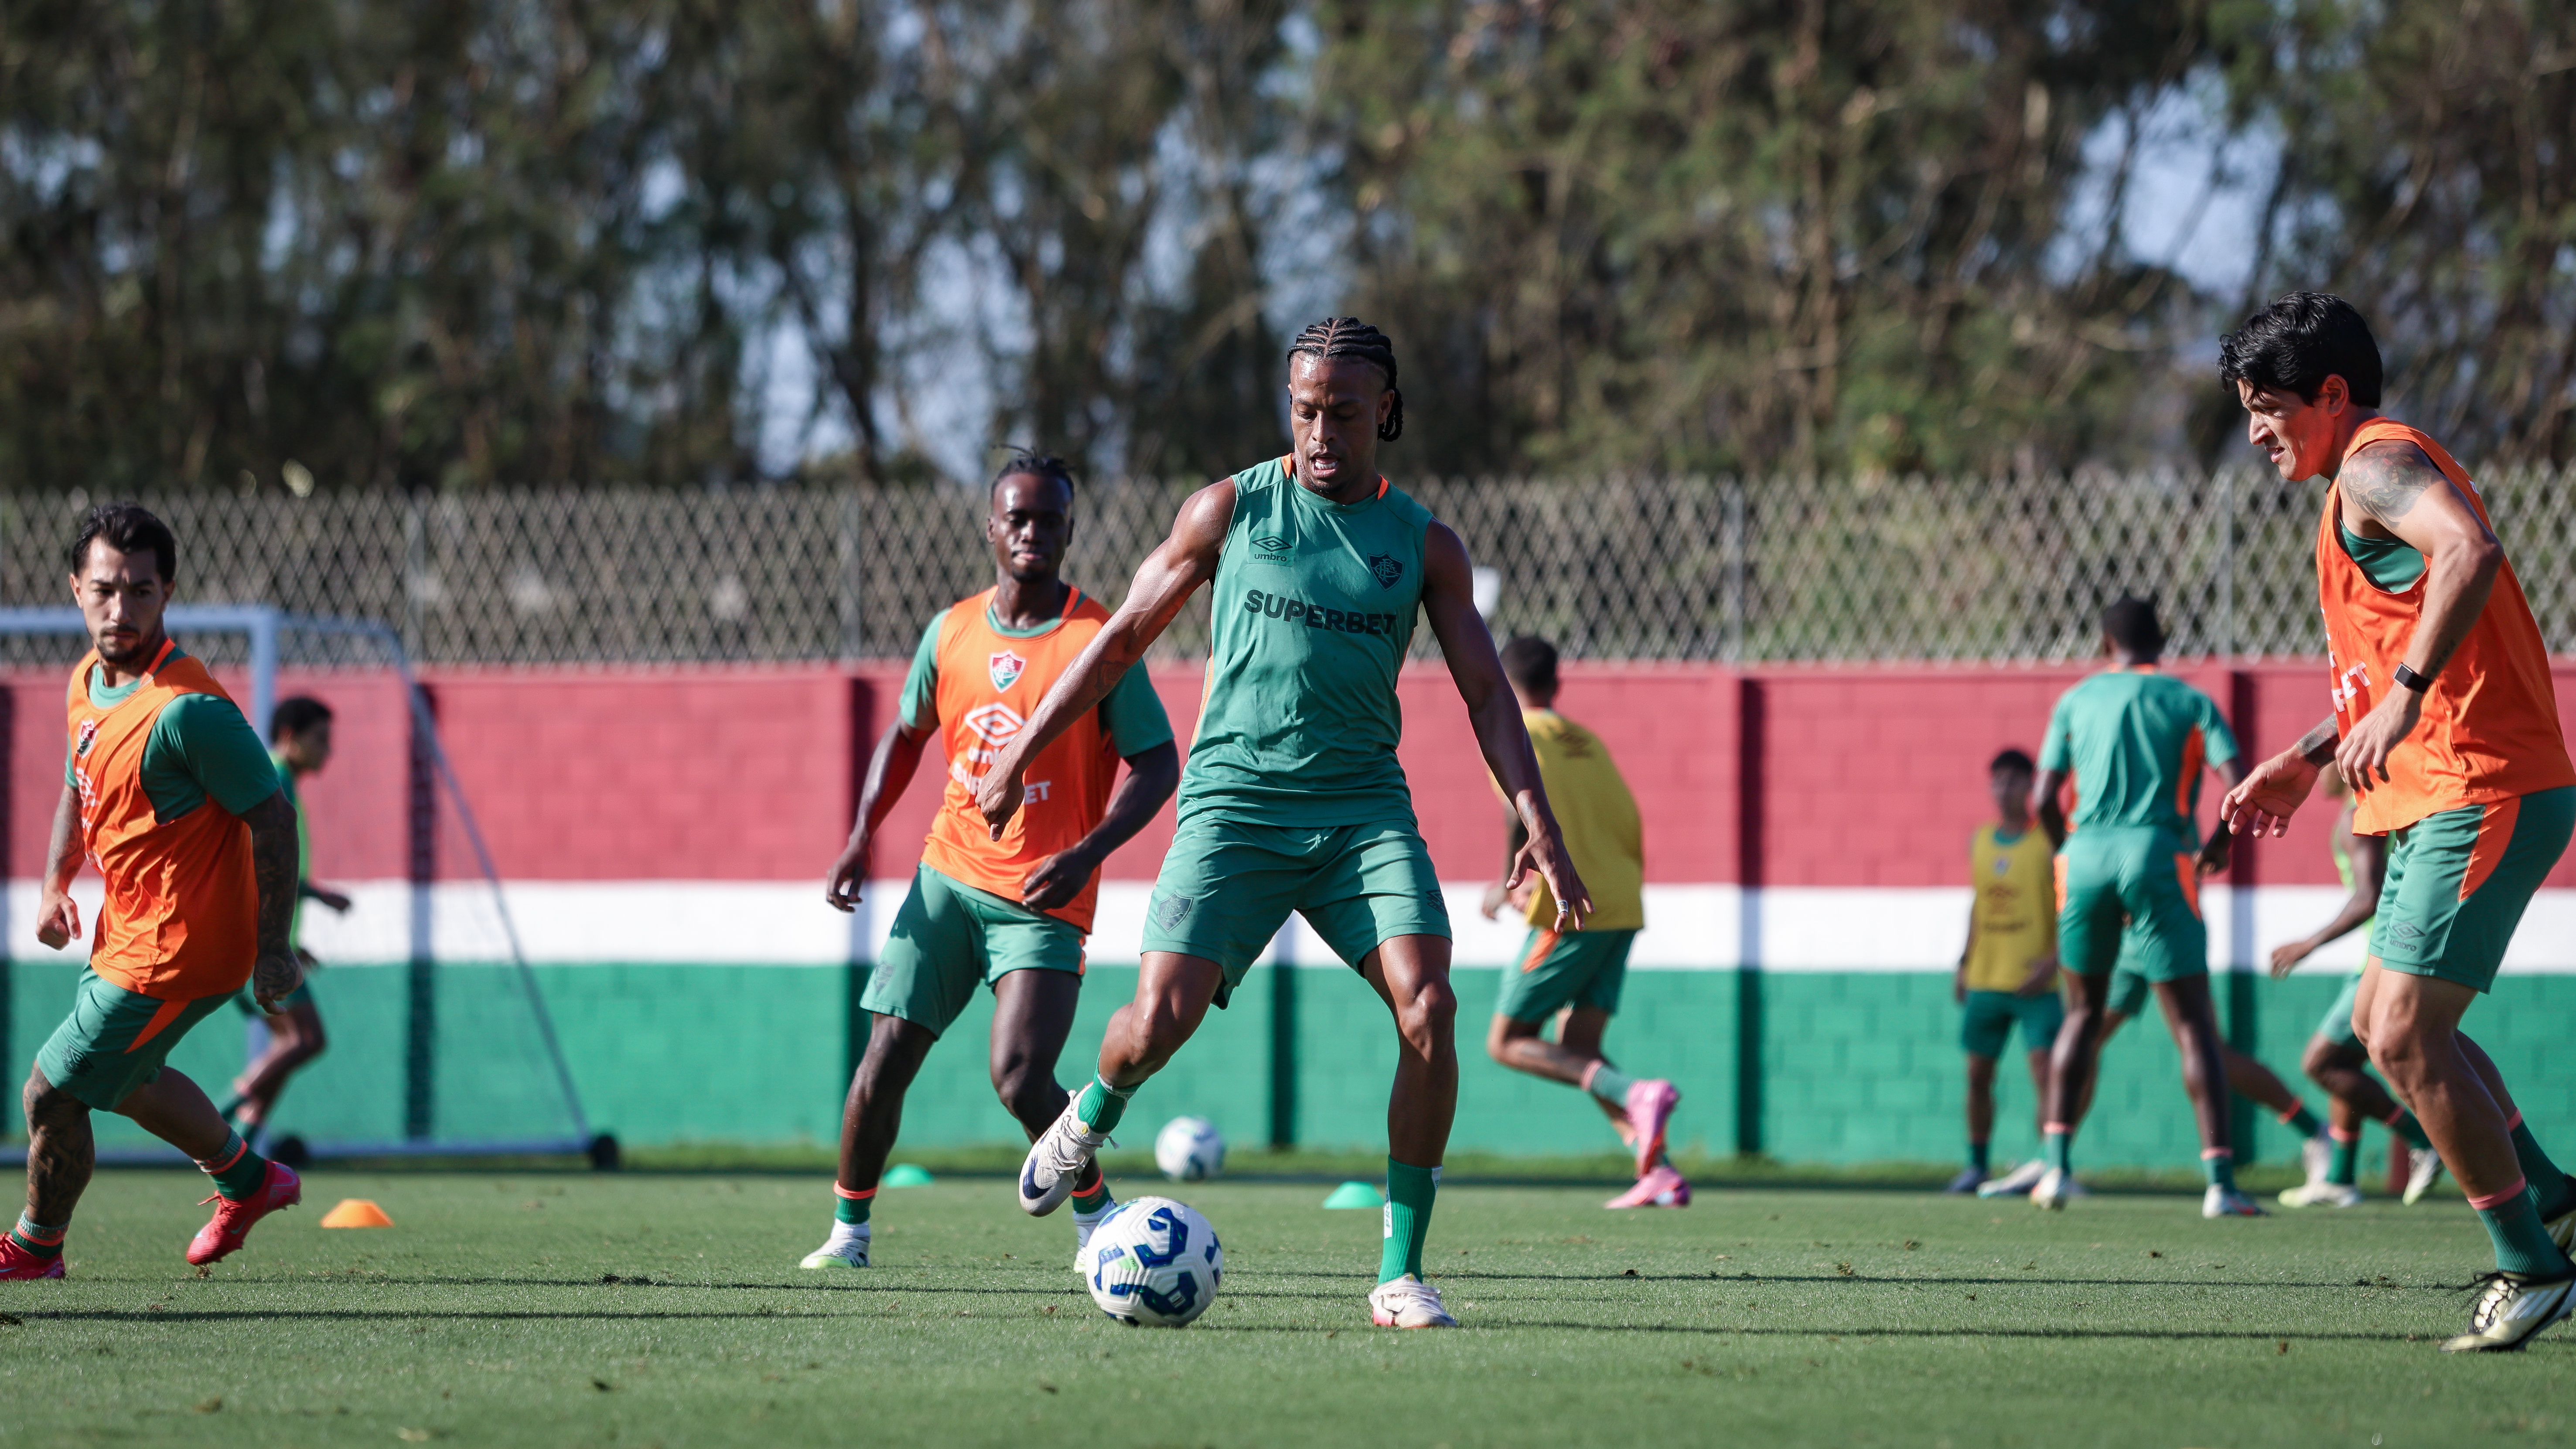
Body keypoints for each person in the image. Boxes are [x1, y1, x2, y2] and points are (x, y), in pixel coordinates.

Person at [974, 318, 1590, 1330]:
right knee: (1150, 1028)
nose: (1319, 431)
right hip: (1232, 809)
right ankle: (1090, 1112)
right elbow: (1122, 630)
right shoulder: (1229, 509)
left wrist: (1539, 820)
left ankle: (1399, 1269)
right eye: (1304, 409)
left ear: (1383, 412)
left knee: (1427, 1007)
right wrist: (1022, 748)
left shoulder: (1424, 543)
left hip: (1360, 815)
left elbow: (1486, 692)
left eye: (1342, 413)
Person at [2217, 292, 2576, 1351]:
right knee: (2385, 1028)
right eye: (2244, 409)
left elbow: (2468, 551)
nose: (2254, 431)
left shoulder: (2375, 463)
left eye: (2268, 406)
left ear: (2331, 394)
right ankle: (2548, 1193)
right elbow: (2382, 668)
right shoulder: (2348, 493)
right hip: (2432, 792)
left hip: (2478, 783)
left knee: (2401, 1033)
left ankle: (2531, 1267)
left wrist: (2407, 691)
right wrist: (2305, 755)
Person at [811, 455, 1180, 1270]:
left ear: (1069, 531)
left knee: (1019, 1077)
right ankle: (848, 1234)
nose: (1032, 533)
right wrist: (861, 832)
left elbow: (1158, 763)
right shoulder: (949, 632)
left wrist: (1089, 852)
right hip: (947, 879)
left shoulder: (1096, 640)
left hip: (1045, 895)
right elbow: (906, 735)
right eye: (1017, 517)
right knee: (883, 1059)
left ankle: (1098, 1222)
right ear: (990, 527)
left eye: (1050, 520)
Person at [0, 505, 305, 1280]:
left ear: (168, 591)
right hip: (126, 933)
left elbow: (273, 816)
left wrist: (274, 950)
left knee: (52, 1091)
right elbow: (81, 779)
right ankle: (248, 1179)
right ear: (76, 589)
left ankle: (36, 1248)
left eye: (140, 590)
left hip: (182, 946)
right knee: (126, 1079)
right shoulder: (86, 681)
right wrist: (54, 882)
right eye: (105, 589)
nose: (121, 607)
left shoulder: (187, 710)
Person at [2029, 595, 2263, 1218]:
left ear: (2106, 642)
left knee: (2080, 1013)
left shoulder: (2075, 700)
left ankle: (2053, 1170)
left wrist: (2067, 852)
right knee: (2191, 1026)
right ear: (2161, 642)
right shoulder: (2189, 701)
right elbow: (2238, 786)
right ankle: (2219, 1182)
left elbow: (2041, 796)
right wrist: (2215, 846)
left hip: (2083, 858)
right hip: (2160, 854)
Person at [1477, 636, 1680, 1209]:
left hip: (1570, 906)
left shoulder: (1513, 730)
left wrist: (1507, 882)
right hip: (1622, 901)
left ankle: (1638, 1091)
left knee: (1506, 1040)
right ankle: (1658, 1169)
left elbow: (1517, 808)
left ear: (1499, 678)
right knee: (1580, 1045)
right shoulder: (1585, 739)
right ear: (1556, 684)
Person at [2267, 769, 2443, 1208]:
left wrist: (2308, 943)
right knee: (2346, 1064)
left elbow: (2370, 896)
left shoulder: (2355, 817)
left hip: (2379, 961)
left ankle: (2423, 1139)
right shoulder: (2380, 807)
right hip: (2385, 956)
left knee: (2321, 1063)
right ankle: (2340, 1177)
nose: (2315, 773)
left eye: (2322, 760)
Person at [220, 696, 351, 1156]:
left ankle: (242, 1146)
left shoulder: (284, 780)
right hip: (259, 944)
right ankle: (220, 1112)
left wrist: (297, 939)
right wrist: (318, 895)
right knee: (307, 1039)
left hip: (271, 941)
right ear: (292, 737)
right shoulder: (275, 778)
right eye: (321, 740)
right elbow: (263, 860)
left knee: (289, 1049)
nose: (328, 752)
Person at [1951, 749, 2061, 1197]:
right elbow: (1979, 903)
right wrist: (1964, 960)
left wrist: (2054, 961)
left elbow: (2071, 903)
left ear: (2031, 785)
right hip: (1986, 979)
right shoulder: (1980, 840)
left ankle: (2050, 1166)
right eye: (1998, 780)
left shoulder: (2049, 840)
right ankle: (1977, 1165)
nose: (2005, 788)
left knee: (2045, 1073)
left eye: (2014, 780)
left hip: (2036, 982)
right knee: (1978, 1074)